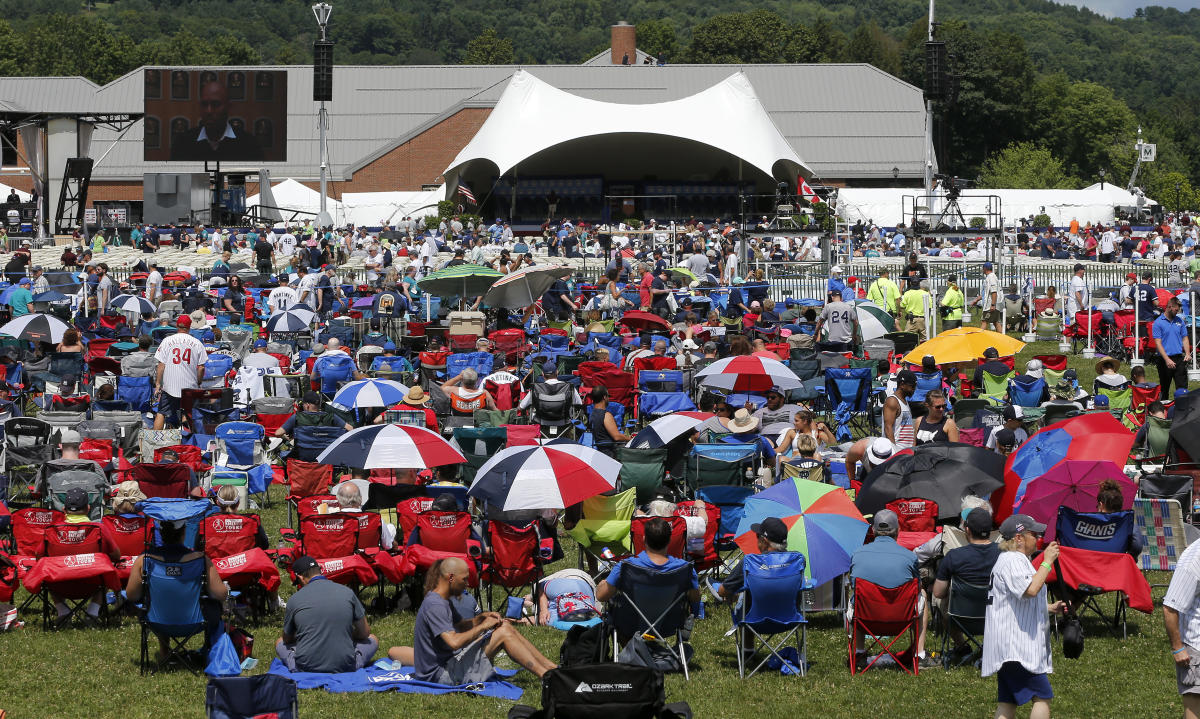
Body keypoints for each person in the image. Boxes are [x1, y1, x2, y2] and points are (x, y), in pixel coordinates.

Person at [391, 557, 556, 683]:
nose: (467, 584)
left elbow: (462, 625)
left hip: (448, 664)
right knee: (504, 633)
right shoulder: (436, 605)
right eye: (464, 579)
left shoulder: (442, 599)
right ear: (450, 578)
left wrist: (481, 618)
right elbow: (454, 642)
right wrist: (483, 626)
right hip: (441, 675)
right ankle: (548, 677)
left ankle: (552, 669)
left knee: (504, 626)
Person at [983, 515, 1067, 719]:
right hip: (1017, 649)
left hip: (1007, 647)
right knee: (1042, 696)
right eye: (1034, 534)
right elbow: (1030, 590)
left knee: (1008, 702)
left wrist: (1048, 607)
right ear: (1018, 538)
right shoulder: (1013, 560)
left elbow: (1015, 601)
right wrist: (1046, 562)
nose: (1038, 538)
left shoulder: (1011, 560)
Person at [125, 518, 228, 662]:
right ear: (184, 532)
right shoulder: (200, 559)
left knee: (158, 601)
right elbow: (221, 594)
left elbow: (132, 595)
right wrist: (227, 589)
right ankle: (210, 651)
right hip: (196, 622)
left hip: (156, 621)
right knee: (214, 605)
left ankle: (164, 650)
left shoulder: (144, 560)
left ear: (160, 532)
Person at [849, 509, 930, 666]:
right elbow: (917, 588)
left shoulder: (857, 554)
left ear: (873, 530)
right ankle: (919, 654)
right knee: (922, 594)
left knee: (859, 595)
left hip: (867, 619)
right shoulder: (910, 557)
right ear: (898, 530)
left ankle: (859, 652)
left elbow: (854, 585)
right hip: (901, 620)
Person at [275, 556, 377, 672]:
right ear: (321, 571)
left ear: (300, 577)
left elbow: (286, 639)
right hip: (345, 665)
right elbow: (364, 633)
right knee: (372, 639)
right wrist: (346, 634)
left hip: (306, 666)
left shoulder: (294, 599)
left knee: (279, 642)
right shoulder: (347, 593)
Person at [932, 507, 1001, 664]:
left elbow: (937, 592)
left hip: (960, 618)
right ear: (990, 530)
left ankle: (961, 646)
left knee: (940, 601)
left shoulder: (954, 556)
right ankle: (993, 647)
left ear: (967, 530)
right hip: (996, 617)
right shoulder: (1004, 554)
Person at [597, 516, 700, 605]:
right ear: (669, 540)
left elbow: (601, 596)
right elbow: (695, 598)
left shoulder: (625, 567)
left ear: (644, 539)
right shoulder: (686, 569)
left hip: (632, 624)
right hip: (670, 625)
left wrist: (603, 582)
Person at [170, 79, 263, 161]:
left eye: (215, 104)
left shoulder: (249, 145)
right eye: (204, 104)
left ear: (229, 107)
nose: (209, 111)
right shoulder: (183, 144)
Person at [1164, 537, 1200, 719]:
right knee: (1194, 709)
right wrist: (1178, 648)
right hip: (1196, 647)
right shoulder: (1194, 557)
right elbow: (1170, 607)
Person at [153, 315, 207, 430]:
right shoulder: (197, 343)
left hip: (170, 386)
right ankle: (186, 440)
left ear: (177, 326)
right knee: (187, 413)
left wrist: (158, 384)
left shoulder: (167, 340)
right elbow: (201, 367)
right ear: (189, 327)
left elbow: (161, 364)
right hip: (189, 385)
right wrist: (198, 382)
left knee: (161, 412)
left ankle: (154, 440)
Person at [1154, 295, 1191, 400]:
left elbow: (1185, 338)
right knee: (1164, 389)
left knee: (1183, 389)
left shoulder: (1180, 321)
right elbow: (1158, 343)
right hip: (1164, 359)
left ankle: (1183, 410)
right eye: (1176, 310)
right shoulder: (1158, 323)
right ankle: (1164, 412)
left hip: (1179, 358)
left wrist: (1187, 353)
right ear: (1169, 307)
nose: (1177, 312)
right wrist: (1167, 360)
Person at [589, 386, 630, 458]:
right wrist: (631, 439)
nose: (609, 399)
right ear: (604, 397)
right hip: (611, 454)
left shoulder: (592, 414)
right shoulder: (606, 415)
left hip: (600, 451)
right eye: (608, 396)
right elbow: (617, 437)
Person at [815, 288, 859, 352]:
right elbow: (856, 323)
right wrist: (854, 335)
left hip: (833, 342)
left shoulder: (828, 307)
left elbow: (819, 322)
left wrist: (816, 334)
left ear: (832, 297)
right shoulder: (848, 307)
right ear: (841, 298)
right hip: (847, 342)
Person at [883, 368, 917, 448]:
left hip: (906, 451)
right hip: (897, 450)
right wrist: (894, 451)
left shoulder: (904, 401)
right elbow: (888, 427)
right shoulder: (892, 401)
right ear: (902, 384)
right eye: (912, 386)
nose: (914, 389)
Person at [975, 262, 1001, 332]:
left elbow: (994, 292)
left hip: (990, 305)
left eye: (983, 268)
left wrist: (993, 305)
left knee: (984, 321)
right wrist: (976, 300)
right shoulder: (990, 277)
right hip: (993, 304)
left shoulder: (991, 277)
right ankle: (1002, 338)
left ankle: (980, 336)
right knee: (996, 322)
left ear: (985, 268)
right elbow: (986, 293)